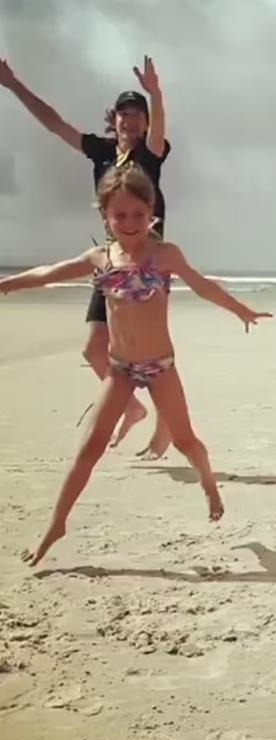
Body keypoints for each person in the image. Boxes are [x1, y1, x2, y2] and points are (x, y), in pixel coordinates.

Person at [0, 165, 272, 567]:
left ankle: (209, 482)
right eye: (120, 215)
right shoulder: (100, 258)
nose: (130, 223)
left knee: (185, 441)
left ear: (152, 214)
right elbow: (50, 274)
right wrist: (9, 283)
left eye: (138, 215)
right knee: (89, 448)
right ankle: (56, 524)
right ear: (105, 217)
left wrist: (241, 310)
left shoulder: (165, 255)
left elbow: (202, 285)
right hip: (121, 369)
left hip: (161, 367)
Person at [0, 55, 172, 458]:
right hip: (112, 260)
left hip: (147, 261)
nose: (130, 122)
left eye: (137, 116)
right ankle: (132, 408)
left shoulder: (150, 154)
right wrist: (12, 84)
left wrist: (156, 95)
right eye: (124, 115)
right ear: (114, 120)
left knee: (149, 350)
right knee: (95, 350)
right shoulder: (101, 152)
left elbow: (160, 129)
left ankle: (167, 425)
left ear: (145, 123)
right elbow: (55, 124)